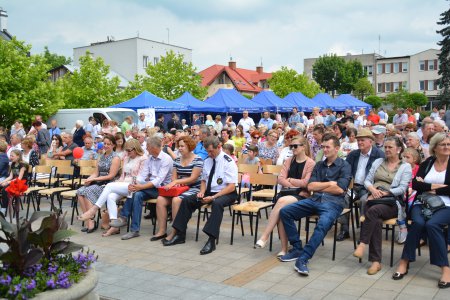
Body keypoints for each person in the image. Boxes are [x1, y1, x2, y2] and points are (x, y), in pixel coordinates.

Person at [279, 134, 351, 276]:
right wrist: (330, 183)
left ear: (337, 148)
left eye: (327, 147)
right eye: (323, 147)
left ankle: (304, 258)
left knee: (323, 224)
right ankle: (297, 247)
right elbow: (310, 186)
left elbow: (340, 189)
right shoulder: (319, 165)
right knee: (285, 211)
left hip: (333, 203)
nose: (324, 149)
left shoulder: (345, 165)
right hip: (315, 200)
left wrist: (323, 186)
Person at [162, 136, 238, 255]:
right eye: (207, 151)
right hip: (209, 191)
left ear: (219, 147)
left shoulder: (228, 161)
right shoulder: (207, 160)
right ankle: (180, 234)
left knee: (217, 204)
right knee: (186, 201)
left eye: (211, 151)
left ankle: (211, 240)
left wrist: (213, 197)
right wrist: (202, 192)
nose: (209, 153)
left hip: (226, 192)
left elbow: (231, 186)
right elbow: (203, 180)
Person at [393, 133, 450, 288]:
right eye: (443, 144)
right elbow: (417, 185)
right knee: (417, 223)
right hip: (422, 202)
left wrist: (432, 189)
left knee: (432, 225)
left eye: (448, 144)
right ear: (435, 147)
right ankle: (405, 261)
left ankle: (445, 268)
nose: (446, 147)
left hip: (447, 205)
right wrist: (438, 187)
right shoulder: (428, 162)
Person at [353, 136, 412, 275]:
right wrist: (373, 190)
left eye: (390, 147)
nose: (386, 149)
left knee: (372, 212)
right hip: (373, 198)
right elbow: (367, 180)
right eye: (385, 147)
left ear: (398, 149)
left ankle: (362, 244)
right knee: (376, 220)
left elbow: (402, 188)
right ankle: (376, 262)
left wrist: (385, 193)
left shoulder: (405, 166)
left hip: (391, 201)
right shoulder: (378, 161)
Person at [255, 136, 315, 256]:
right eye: (291, 146)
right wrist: (292, 184)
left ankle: (265, 235)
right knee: (282, 212)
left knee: (281, 202)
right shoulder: (289, 160)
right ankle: (283, 249)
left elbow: (306, 183)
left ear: (303, 147)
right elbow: (280, 179)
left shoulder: (310, 163)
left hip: (301, 195)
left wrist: (290, 180)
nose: (292, 148)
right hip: (286, 193)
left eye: (295, 146)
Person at [77, 139, 147, 237]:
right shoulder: (127, 158)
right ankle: (114, 226)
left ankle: (93, 210)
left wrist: (115, 184)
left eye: (129, 150)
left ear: (136, 149)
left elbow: (140, 179)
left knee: (109, 185)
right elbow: (122, 176)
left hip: (135, 185)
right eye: (126, 150)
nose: (127, 152)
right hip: (124, 185)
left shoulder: (143, 159)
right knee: (110, 196)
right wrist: (117, 183)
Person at [110, 136, 173, 240]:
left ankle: (124, 217)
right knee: (136, 193)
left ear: (153, 147)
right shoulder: (149, 158)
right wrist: (134, 184)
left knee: (137, 191)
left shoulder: (166, 159)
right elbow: (142, 176)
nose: (146, 149)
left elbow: (158, 181)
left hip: (162, 189)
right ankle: (134, 229)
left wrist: (140, 186)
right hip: (150, 187)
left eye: (147, 147)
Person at [337, 128, 385, 241]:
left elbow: (380, 175)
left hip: (369, 188)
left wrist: (373, 188)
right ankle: (344, 230)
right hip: (353, 187)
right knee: (343, 197)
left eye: (362, 140)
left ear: (371, 141)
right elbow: (345, 171)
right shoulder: (353, 154)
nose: (359, 142)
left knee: (365, 201)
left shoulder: (379, 155)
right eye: (358, 140)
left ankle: (365, 232)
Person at [153, 136, 203, 241]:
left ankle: (175, 231)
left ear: (189, 146)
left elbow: (193, 178)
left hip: (193, 188)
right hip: (179, 188)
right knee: (160, 199)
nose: (180, 148)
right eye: (178, 146)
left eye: (182, 146)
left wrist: (176, 182)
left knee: (176, 200)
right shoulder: (177, 159)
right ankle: (162, 230)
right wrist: (176, 183)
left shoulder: (198, 159)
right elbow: (174, 177)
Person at [76, 135, 121, 233]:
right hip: (99, 182)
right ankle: (89, 221)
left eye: (108, 144)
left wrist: (95, 179)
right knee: (80, 191)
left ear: (113, 145)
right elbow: (96, 173)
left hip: (109, 184)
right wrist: (89, 179)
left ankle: (91, 220)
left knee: (87, 191)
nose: (106, 145)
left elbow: (111, 176)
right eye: (104, 143)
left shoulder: (116, 158)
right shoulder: (101, 156)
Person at [0, 150, 28, 215]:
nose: (10, 157)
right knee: (1, 186)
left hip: (21, 183)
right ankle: (1, 205)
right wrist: (2, 182)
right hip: (14, 181)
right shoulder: (13, 164)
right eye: (10, 155)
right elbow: (10, 176)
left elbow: (19, 178)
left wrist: (8, 183)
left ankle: (3, 209)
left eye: (12, 156)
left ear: (18, 156)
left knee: (5, 190)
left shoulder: (23, 165)